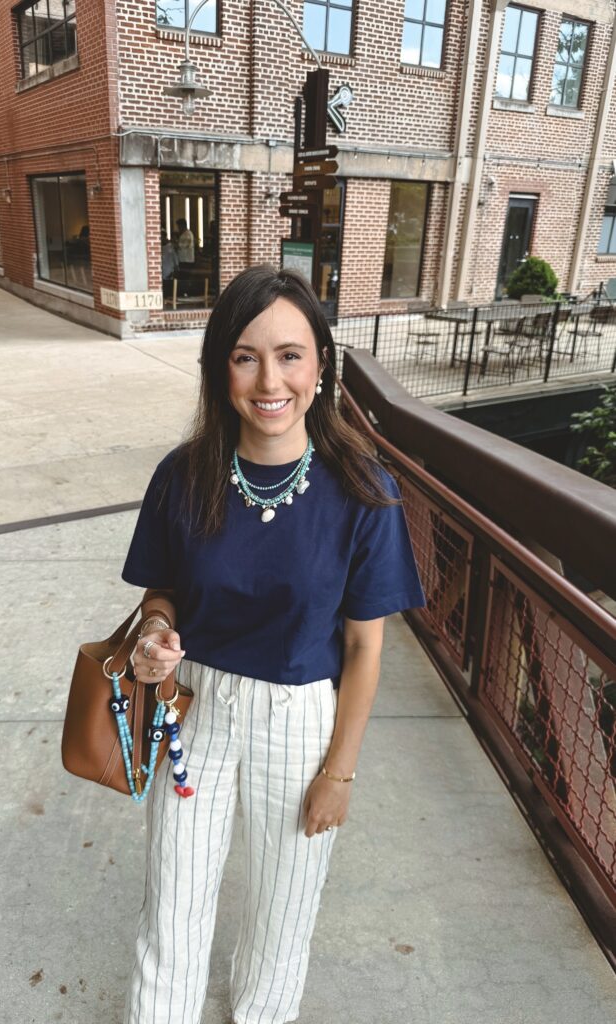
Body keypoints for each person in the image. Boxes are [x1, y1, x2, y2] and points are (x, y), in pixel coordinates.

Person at [121, 264, 427, 1024]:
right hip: (192, 712)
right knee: (173, 901)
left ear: (321, 367)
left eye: (290, 354)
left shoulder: (363, 490)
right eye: (245, 355)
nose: (269, 380)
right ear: (219, 366)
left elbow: (363, 652)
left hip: (298, 720)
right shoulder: (182, 476)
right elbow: (158, 593)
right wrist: (155, 633)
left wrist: (341, 774)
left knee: (282, 913)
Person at [162, 230, 179, 300]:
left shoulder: (170, 247)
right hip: (162, 272)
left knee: (169, 289)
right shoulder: (159, 247)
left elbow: (176, 260)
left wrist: (175, 270)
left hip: (169, 272)